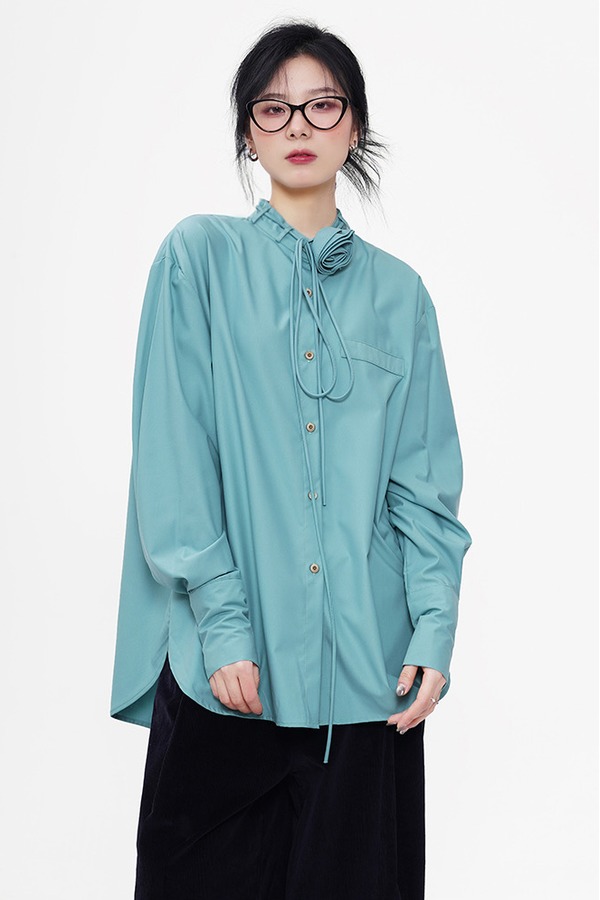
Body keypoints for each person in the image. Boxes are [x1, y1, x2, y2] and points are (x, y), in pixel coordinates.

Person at [110, 18, 473, 900]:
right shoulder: (199, 259)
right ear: (248, 133)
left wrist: (433, 630)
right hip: (226, 672)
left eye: (322, 105)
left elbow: (423, 489)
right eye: (273, 109)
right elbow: (173, 458)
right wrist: (226, 623)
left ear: (355, 126)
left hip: (367, 681)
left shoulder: (402, 296)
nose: (299, 126)